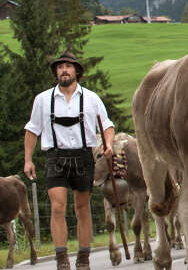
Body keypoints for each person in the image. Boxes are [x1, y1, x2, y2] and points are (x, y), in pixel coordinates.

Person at [24, 50, 115, 270]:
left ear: (76, 71)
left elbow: (107, 125)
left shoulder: (91, 98)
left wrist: (109, 144)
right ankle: (61, 258)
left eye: (68, 66)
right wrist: (28, 159)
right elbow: (32, 130)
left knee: (82, 207)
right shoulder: (43, 99)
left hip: (84, 156)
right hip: (56, 157)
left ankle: (83, 258)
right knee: (57, 207)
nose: (64, 70)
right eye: (60, 67)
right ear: (56, 72)